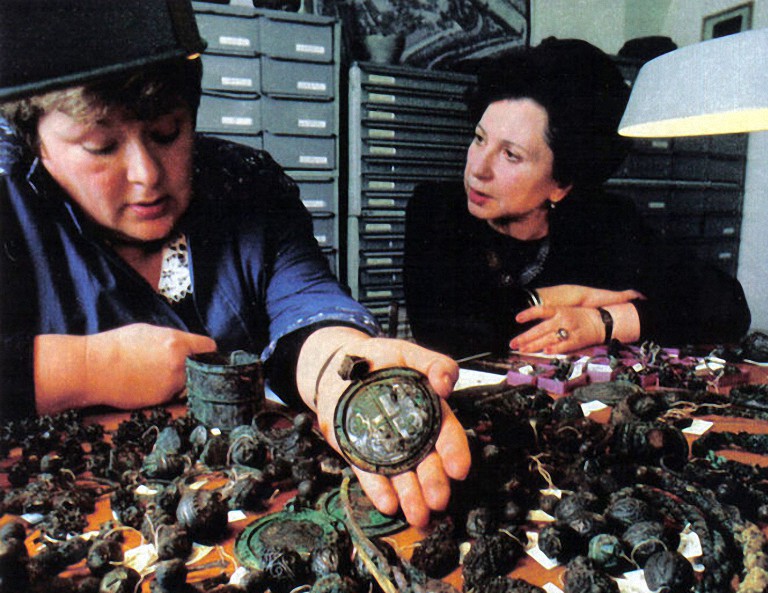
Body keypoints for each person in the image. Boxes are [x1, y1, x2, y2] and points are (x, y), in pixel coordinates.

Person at [0, 0, 469, 528]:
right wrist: (89, 367)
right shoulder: (9, 205)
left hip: (244, 513)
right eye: (101, 146)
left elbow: (305, 304)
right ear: (34, 140)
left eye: (168, 132)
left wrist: (342, 370)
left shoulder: (248, 186)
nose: (146, 175)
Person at [403, 38, 751, 360]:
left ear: (561, 183)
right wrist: (561, 298)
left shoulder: (604, 222)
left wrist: (602, 322)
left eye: (511, 155)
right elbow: (446, 332)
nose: (478, 169)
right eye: (480, 138)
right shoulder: (437, 209)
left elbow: (728, 307)